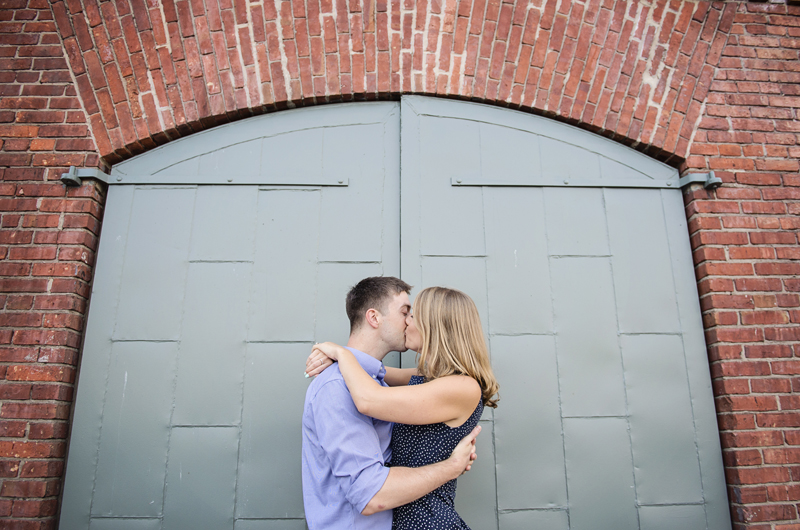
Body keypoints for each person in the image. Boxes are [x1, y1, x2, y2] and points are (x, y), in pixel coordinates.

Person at [306, 285, 499, 530]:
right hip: (403, 518)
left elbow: (369, 399)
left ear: (435, 326)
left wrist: (340, 353)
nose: (407, 321)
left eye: (413, 315)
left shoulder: (462, 387)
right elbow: (377, 371)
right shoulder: (429, 378)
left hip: (428, 520)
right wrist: (338, 357)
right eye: (405, 313)